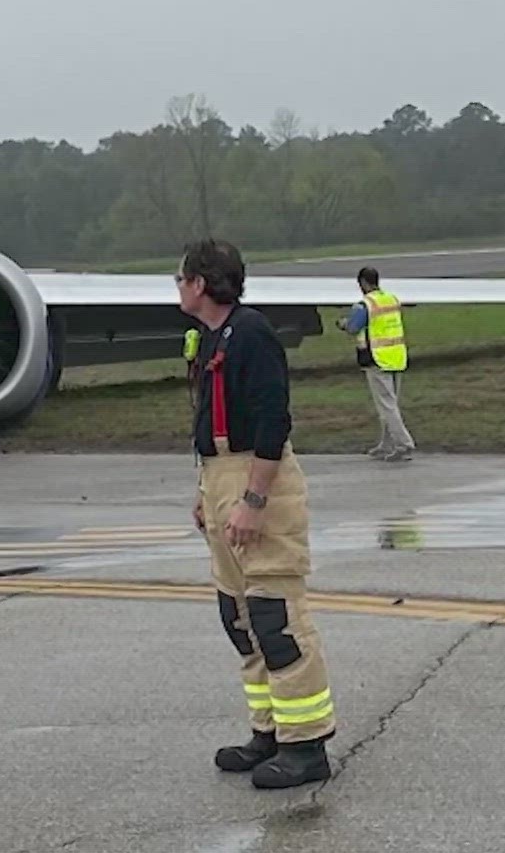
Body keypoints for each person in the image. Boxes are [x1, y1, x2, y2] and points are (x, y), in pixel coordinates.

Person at [177, 238, 335, 789]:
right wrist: (206, 493)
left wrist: (253, 499)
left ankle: (307, 744)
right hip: (221, 474)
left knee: (276, 618)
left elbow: (274, 422)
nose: (178, 289)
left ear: (200, 283)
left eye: (181, 279)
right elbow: (208, 426)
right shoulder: (212, 338)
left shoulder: (253, 335)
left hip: (257, 478)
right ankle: (268, 731)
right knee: (240, 618)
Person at [337, 267, 413, 462]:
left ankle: (403, 444)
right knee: (391, 403)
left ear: (363, 282)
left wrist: (343, 323)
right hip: (396, 355)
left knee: (386, 406)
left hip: (376, 358)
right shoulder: (391, 299)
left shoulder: (364, 305)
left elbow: (353, 328)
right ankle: (386, 444)